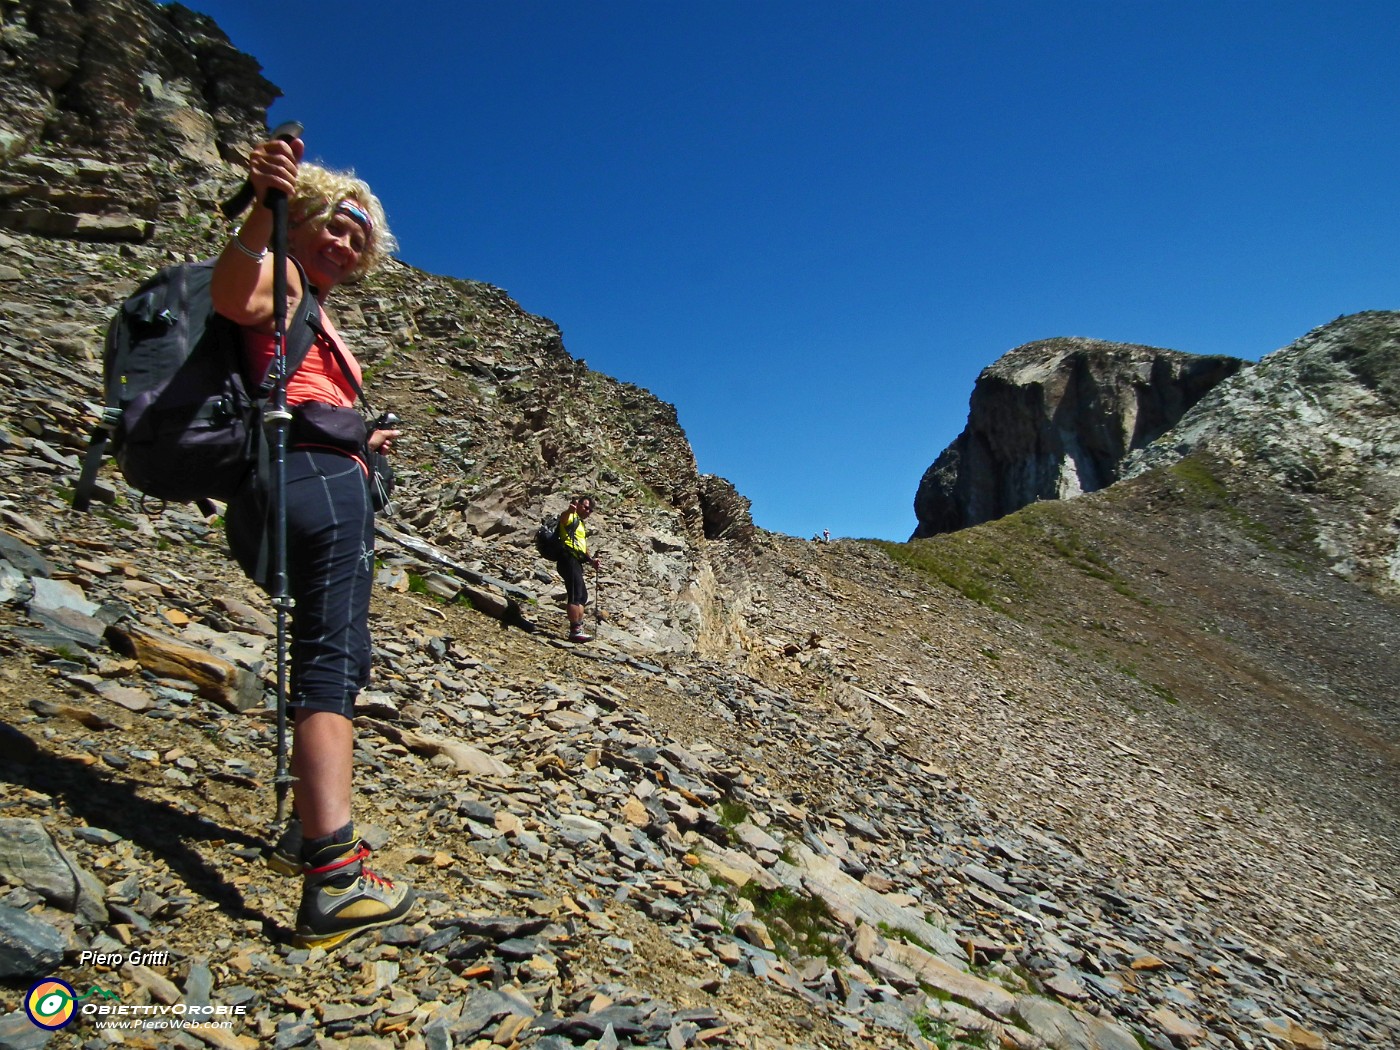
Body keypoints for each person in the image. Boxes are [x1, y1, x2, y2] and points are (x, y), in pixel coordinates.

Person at [211, 133, 416, 949]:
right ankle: (333, 875)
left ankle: (311, 828)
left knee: (334, 649)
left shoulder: (313, 304)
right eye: (332, 223)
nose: (343, 241)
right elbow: (234, 295)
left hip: (322, 474)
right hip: (316, 482)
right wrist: (264, 209)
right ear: (303, 222)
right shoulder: (283, 276)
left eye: (357, 236)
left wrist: (364, 439)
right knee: (331, 657)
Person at [556, 494, 600, 642]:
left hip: (576, 560)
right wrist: (570, 510)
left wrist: (591, 560)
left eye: (590, 510)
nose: (588, 511)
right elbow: (563, 519)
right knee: (575, 593)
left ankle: (578, 627)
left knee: (582, 595)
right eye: (586, 507)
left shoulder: (580, 524)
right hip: (568, 557)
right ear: (579, 505)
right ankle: (575, 630)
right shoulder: (572, 517)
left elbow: (582, 546)